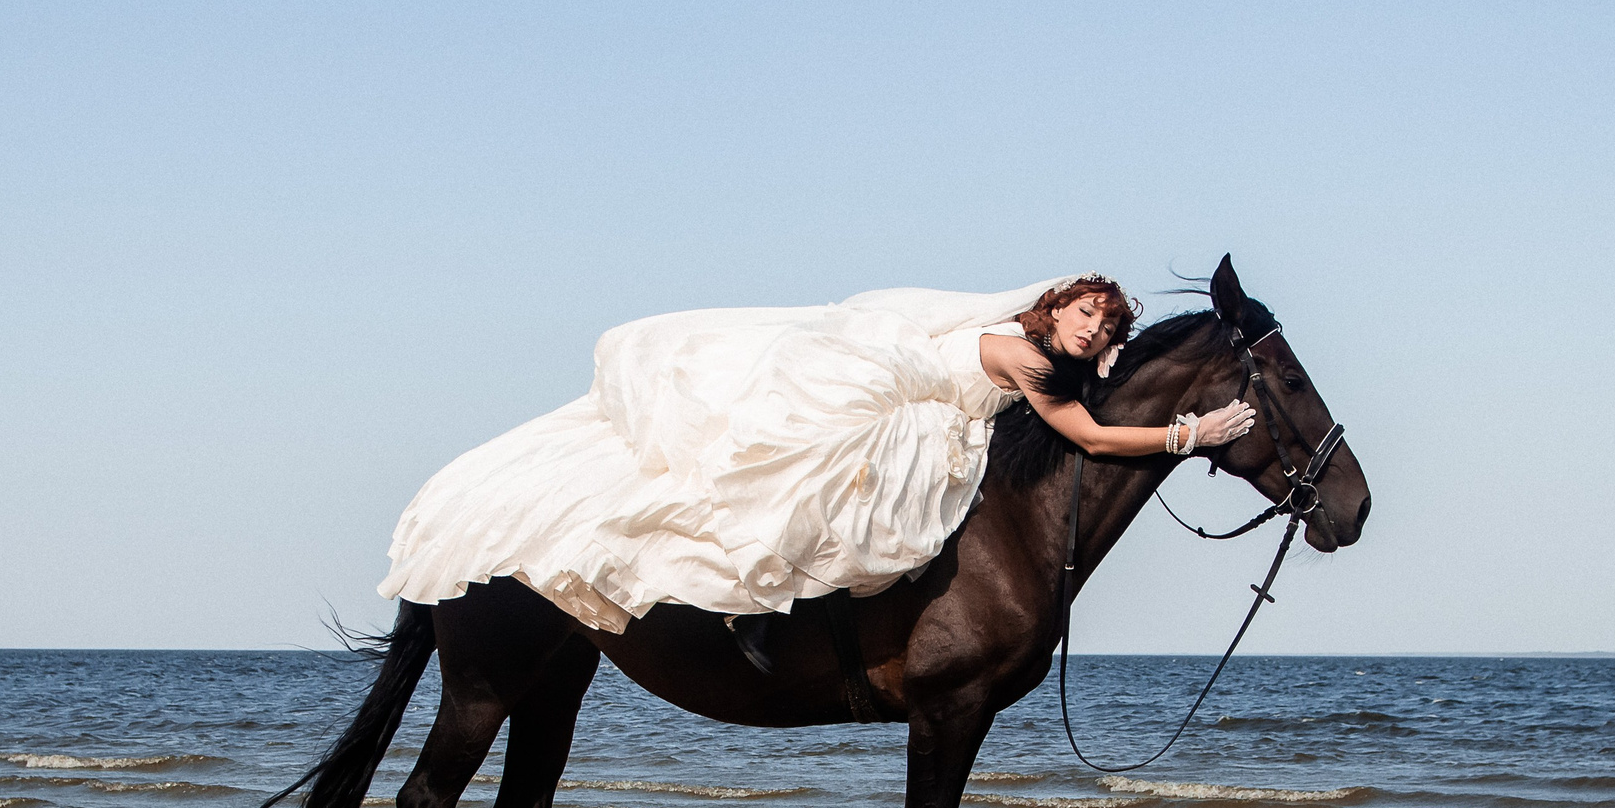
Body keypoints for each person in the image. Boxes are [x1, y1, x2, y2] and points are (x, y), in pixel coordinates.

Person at [374, 274, 1257, 661]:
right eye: (1087, 314)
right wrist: (1190, 434)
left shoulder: (1034, 347)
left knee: (850, 504)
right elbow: (1090, 437)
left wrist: (1101, 366)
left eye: (1106, 326)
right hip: (891, 402)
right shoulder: (1024, 357)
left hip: (919, 400)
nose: (1094, 330)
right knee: (824, 491)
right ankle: (755, 607)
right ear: (1054, 306)